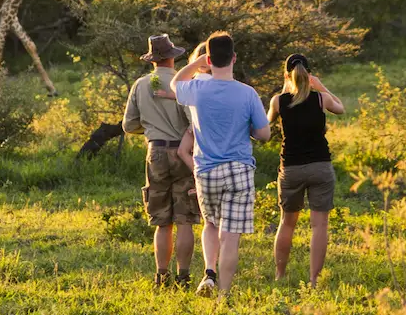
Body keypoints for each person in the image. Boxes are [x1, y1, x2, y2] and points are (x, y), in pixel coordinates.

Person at [172, 31, 270, 297]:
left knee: (211, 225)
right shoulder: (248, 93)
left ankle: (209, 274)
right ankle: (223, 295)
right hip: (239, 169)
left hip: (206, 171)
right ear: (234, 58)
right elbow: (264, 134)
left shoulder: (197, 89)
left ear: (209, 59)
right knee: (230, 235)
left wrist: (194, 64)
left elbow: (174, 83)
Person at [122, 33, 200, 288]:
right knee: (185, 218)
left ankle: (161, 275)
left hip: (155, 152)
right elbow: (194, 122)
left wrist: (151, 130)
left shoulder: (141, 84)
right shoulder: (184, 83)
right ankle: (184, 276)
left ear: (152, 60)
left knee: (162, 220)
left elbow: (128, 125)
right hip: (182, 152)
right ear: (173, 58)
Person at [266, 53, 345, 288]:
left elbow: (264, 125)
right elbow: (340, 108)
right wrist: (321, 87)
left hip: (291, 168)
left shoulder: (278, 101)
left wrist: (284, 89)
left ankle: (280, 274)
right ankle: (314, 280)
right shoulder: (321, 99)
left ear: (286, 74)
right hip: (320, 167)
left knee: (287, 222)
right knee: (319, 225)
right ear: (309, 74)